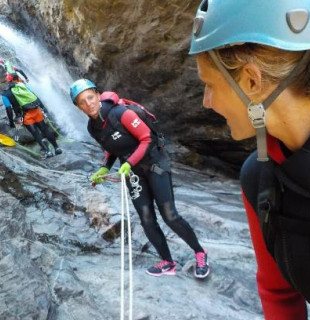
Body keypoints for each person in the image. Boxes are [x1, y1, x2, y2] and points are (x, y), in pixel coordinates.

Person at [189, 0, 310, 319]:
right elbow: (278, 293)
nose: (206, 103)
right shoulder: (260, 180)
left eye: (209, 85)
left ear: (251, 80)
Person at [69, 79, 210, 278]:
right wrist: (103, 168)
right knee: (146, 219)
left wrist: (129, 163)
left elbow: (147, 138)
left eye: (90, 97)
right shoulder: (93, 128)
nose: (88, 103)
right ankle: (167, 262)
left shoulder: (121, 113)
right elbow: (112, 150)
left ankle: (200, 253)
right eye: (82, 102)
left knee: (169, 215)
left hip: (155, 164)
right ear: (78, 106)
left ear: (98, 95)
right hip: (134, 172)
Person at [2, 74, 62, 158]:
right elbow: (34, 96)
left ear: (8, 81)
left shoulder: (5, 94)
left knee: (35, 133)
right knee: (44, 129)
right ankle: (57, 148)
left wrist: (11, 122)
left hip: (25, 115)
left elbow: (8, 109)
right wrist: (43, 107)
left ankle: (48, 152)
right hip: (36, 110)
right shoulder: (23, 86)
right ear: (17, 79)